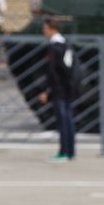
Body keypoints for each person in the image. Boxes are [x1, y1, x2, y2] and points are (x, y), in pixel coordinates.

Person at [38, 15, 77, 161]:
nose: (44, 31)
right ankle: (70, 151)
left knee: (62, 121)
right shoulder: (66, 43)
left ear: (50, 29)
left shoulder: (54, 47)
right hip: (68, 86)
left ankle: (63, 152)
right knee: (68, 120)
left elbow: (52, 71)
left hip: (58, 88)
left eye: (45, 28)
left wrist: (45, 90)